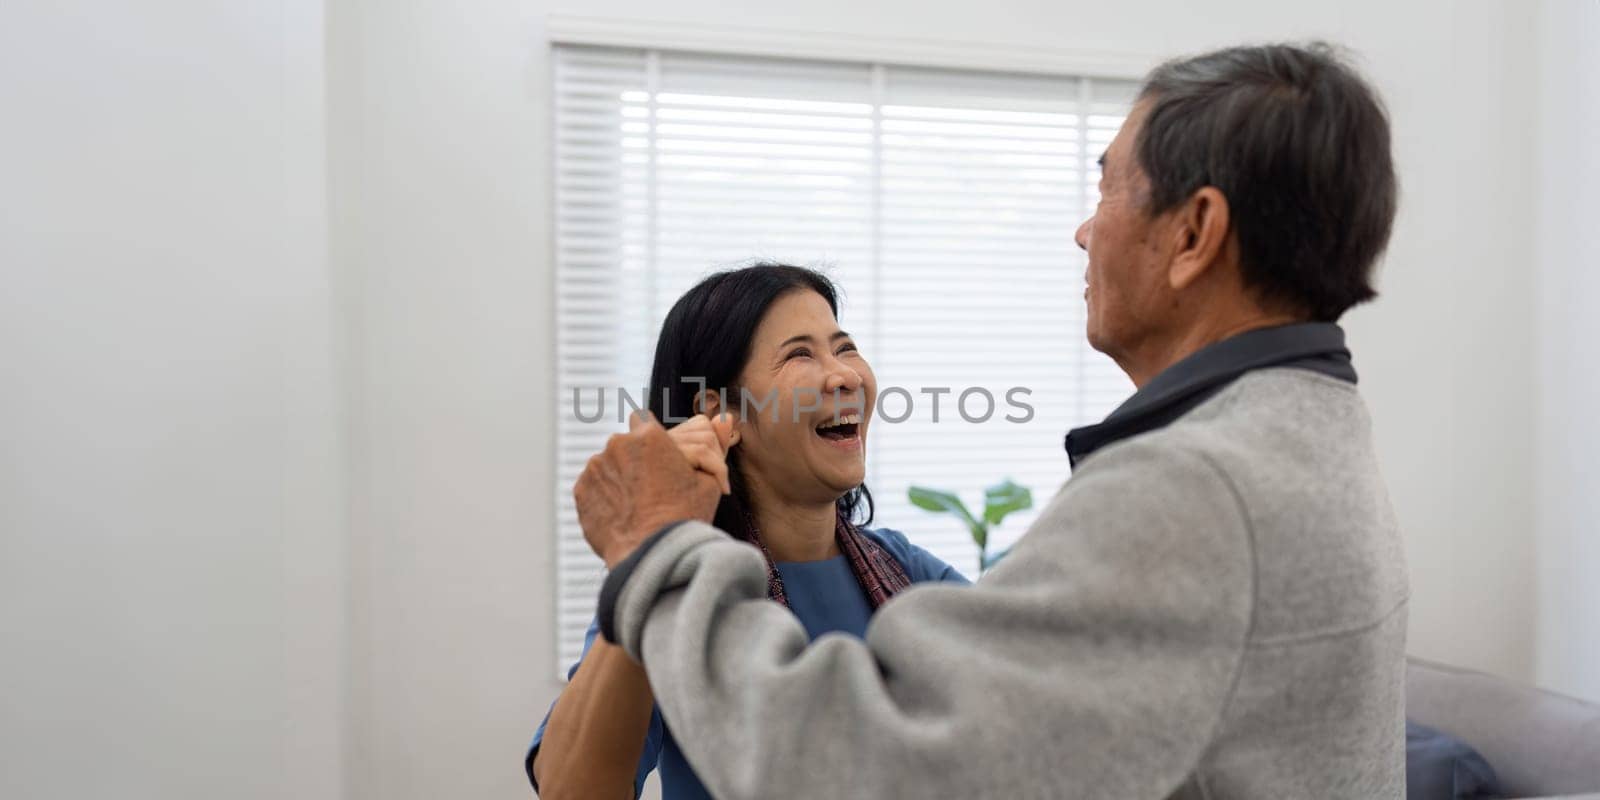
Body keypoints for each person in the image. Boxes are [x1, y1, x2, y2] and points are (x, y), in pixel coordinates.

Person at [572, 42, 1409, 799]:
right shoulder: (1316, 428)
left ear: (1194, 233)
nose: (1085, 232)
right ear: (722, 411)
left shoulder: (1194, 486)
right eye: (798, 355)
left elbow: (858, 764)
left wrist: (653, 549)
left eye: (1108, 188)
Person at [528, 265, 969, 799]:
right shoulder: (678, 594)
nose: (845, 376)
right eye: (800, 354)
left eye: (844, 347)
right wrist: (651, 551)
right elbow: (569, 790)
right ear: (720, 413)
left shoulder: (907, 571)